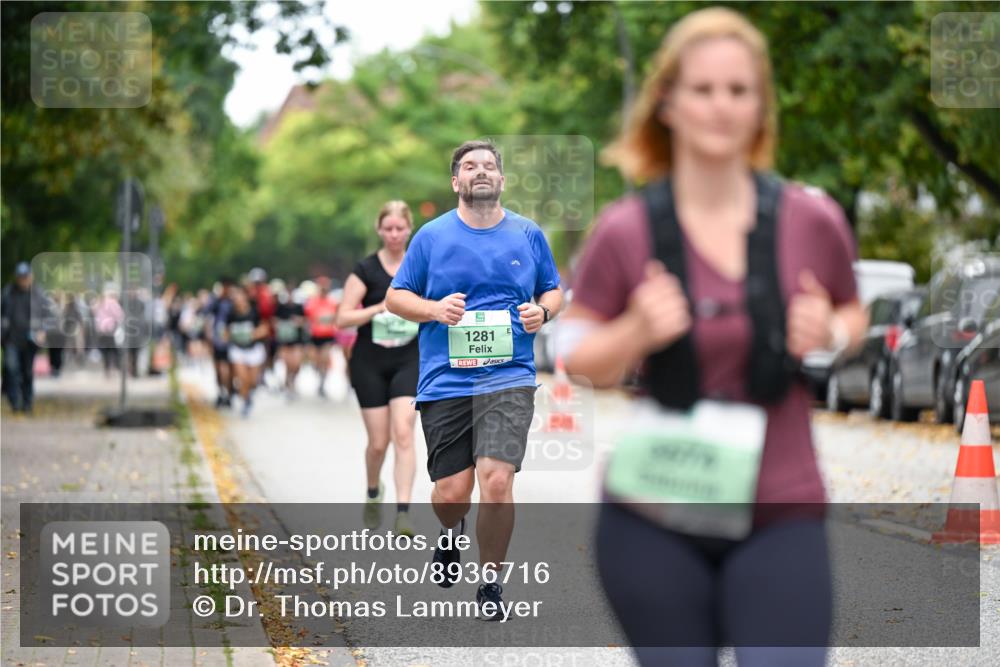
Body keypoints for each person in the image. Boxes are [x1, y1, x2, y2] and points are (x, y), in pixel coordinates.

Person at [557, 8, 867, 666]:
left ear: (761, 106)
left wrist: (832, 330)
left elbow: (852, 310)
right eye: (702, 90)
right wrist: (635, 330)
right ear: (666, 102)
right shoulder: (627, 228)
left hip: (779, 509)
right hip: (652, 514)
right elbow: (576, 354)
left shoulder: (813, 220)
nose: (721, 107)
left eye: (739, 90)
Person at [386, 140, 563, 619]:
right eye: (469, 166)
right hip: (446, 380)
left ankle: (491, 582)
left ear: (501, 180)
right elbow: (395, 298)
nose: (480, 171)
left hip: (509, 376)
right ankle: (449, 532)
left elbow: (553, 288)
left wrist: (542, 310)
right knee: (452, 494)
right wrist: (434, 309)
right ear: (456, 182)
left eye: (488, 165)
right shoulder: (431, 237)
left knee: (497, 480)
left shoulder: (527, 234)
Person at [337, 201, 420, 536]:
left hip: (409, 358)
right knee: (378, 443)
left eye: (400, 228)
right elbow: (342, 316)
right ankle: (373, 491)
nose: (395, 234)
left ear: (409, 229)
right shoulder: (365, 269)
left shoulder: (419, 266)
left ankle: (403, 512)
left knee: (404, 431)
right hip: (370, 360)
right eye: (389, 228)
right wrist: (378, 309)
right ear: (379, 230)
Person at [1, 262, 50, 413]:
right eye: (20, 277)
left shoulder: (38, 294)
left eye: (25, 276)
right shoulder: (8, 293)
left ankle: (27, 403)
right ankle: (15, 401)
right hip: (11, 340)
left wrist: (43, 331)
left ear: (31, 277)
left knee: (27, 372)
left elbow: (48, 316)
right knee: (11, 368)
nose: (23, 279)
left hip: (30, 341)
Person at [224, 285, 268, 418]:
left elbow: (264, 328)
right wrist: (230, 335)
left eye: (240, 295)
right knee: (242, 377)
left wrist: (253, 334)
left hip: (253, 349)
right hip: (238, 349)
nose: (238, 299)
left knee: (253, 380)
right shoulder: (230, 313)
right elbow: (225, 332)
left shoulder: (255, 312)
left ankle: (248, 394)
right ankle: (246, 400)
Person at [304, 277, 339, 398]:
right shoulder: (311, 302)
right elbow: (307, 318)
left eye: (326, 287)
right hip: (314, 335)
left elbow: (336, 317)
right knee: (316, 361)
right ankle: (319, 377)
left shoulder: (333, 302)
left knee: (324, 359)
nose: (324, 290)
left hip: (328, 336)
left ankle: (322, 383)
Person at [272, 279, 306, 398]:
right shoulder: (280, 307)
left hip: (296, 339)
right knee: (287, 363)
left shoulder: (299, 307)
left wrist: (298, 322)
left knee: (296, 364)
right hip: (284, 339)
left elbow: (305, 320)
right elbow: (274, 321)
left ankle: (291, 380)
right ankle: (288, 383)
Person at [206, 277, 236, 408]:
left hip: (230, 340)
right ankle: (221, 392)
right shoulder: (215, 302)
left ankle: (229, 393)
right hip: (218, 340)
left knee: (229, 369)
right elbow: (207, 317)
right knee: (219, 368)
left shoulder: (233, 303)